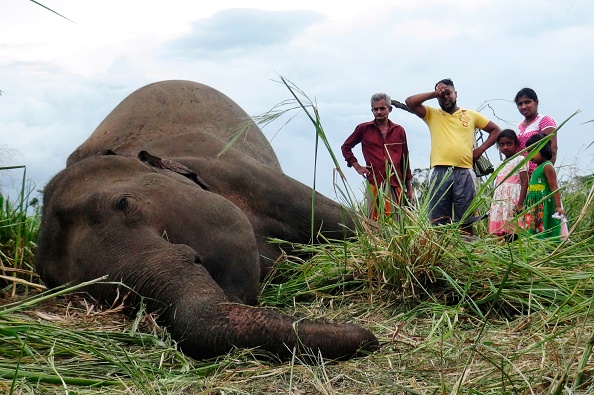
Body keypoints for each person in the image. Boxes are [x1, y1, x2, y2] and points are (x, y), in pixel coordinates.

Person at [405, 78, 501, 235]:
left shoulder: (470, 115)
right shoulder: (432, 114)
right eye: (441, 95)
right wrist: (434, 93)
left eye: (448, 93)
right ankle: (441, 254)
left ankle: (468, 252)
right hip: (439, 172)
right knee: (438, 221)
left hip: (464, 172)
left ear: (456, 93)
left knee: (466, 220)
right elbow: (410, 102)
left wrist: (480, 150)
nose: (445, 97)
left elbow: (496, 130)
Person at [341, 93, 413, 221]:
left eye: (382, 108)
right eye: (376, 109)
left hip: (394, 184)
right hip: (375, 182)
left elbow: (405, 160)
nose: (379, 112)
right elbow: (346, 147)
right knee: (373, 222)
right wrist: (357, 167)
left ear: (389, 109)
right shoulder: (364, 129)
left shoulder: (399, 130)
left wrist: (409, 189)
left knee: (395, 222)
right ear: (372, 111)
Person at [521, 133, 565, 239]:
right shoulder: (537, 168)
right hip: (534, 203)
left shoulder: (547, 166)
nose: (530, 155)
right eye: (528, 152)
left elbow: (554, 187)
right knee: (533, 227)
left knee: (544, 225)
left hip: (543, 203)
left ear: (543, 149)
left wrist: (558, 206)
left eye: (533, 152)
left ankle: (546, 246)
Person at [488, 129, 528, 240]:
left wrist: (520, 203)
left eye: (509, 144)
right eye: (502, 145)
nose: (505, 147)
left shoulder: (520, 159)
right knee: (503, 228)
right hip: (501, 201)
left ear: (516, 144)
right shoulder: (500, 164)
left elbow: (525, 181)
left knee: (514, 227)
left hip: (513, 199)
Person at [514, 87, 558, 174]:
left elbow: (552, 147)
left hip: (537, 172)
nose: (523, 107)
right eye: (520, 104)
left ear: (536, 102)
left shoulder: (544, 120)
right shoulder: (519, 126)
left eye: (527, 102)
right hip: (522, 175)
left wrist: (545, 172)